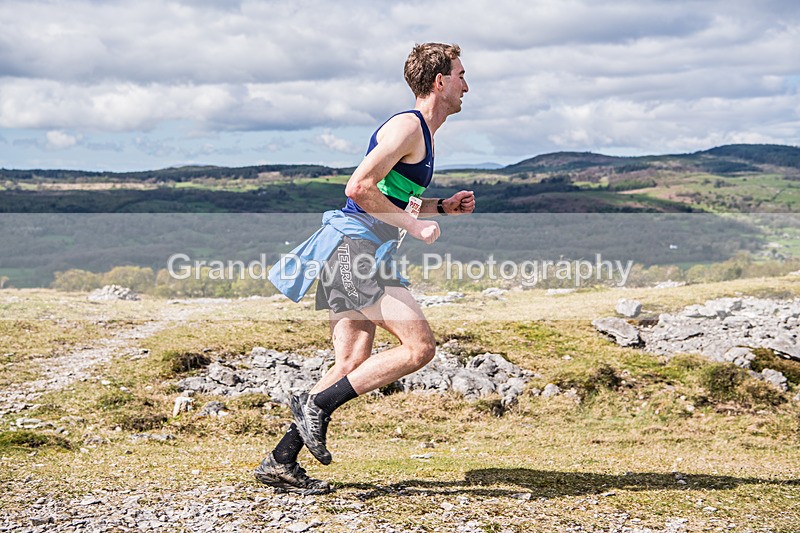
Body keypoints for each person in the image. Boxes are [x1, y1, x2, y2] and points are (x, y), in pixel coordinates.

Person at [254, 42, 474, 494]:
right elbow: (358, 187)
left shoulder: (423, 134)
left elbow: (389, 196)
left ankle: (280, 461)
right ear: (439, 81)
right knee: (419, 348)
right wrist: (415, 226)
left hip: (357, 250)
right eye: (461, 75)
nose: (466, 86)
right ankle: (316, 405)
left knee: (352, 361)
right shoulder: (408, 126)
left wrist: (441, 207)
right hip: (353, 249)